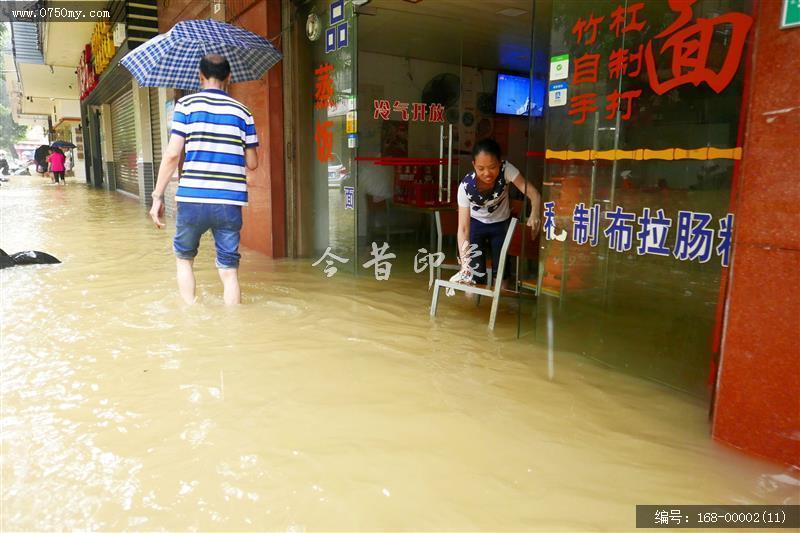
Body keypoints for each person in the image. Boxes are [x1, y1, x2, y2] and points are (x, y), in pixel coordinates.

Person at [149, 54, 258, 306]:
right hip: (229, 201)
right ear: (229, 78)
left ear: (200, 76)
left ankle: (190, 314)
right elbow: (252, 163)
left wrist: (157, 196)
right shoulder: (243, 113)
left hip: (192, 198)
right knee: (229, 271)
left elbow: (173, 154)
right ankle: (234, 326)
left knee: (184, 259)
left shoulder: (186, 106)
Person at [454, 138, 541, 287]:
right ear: (474, 165)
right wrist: (465, 263)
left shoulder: (507, 170)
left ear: (500, 162)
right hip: (476, 225)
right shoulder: (465, 187)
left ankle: (499, 307)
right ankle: (475, 307)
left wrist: (535, 214)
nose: (487, 173)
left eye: (492, 167)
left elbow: (534, 194)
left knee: (501, 272)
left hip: (501, 224)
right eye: (481, 168)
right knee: (473, 274)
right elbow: (463, 229)